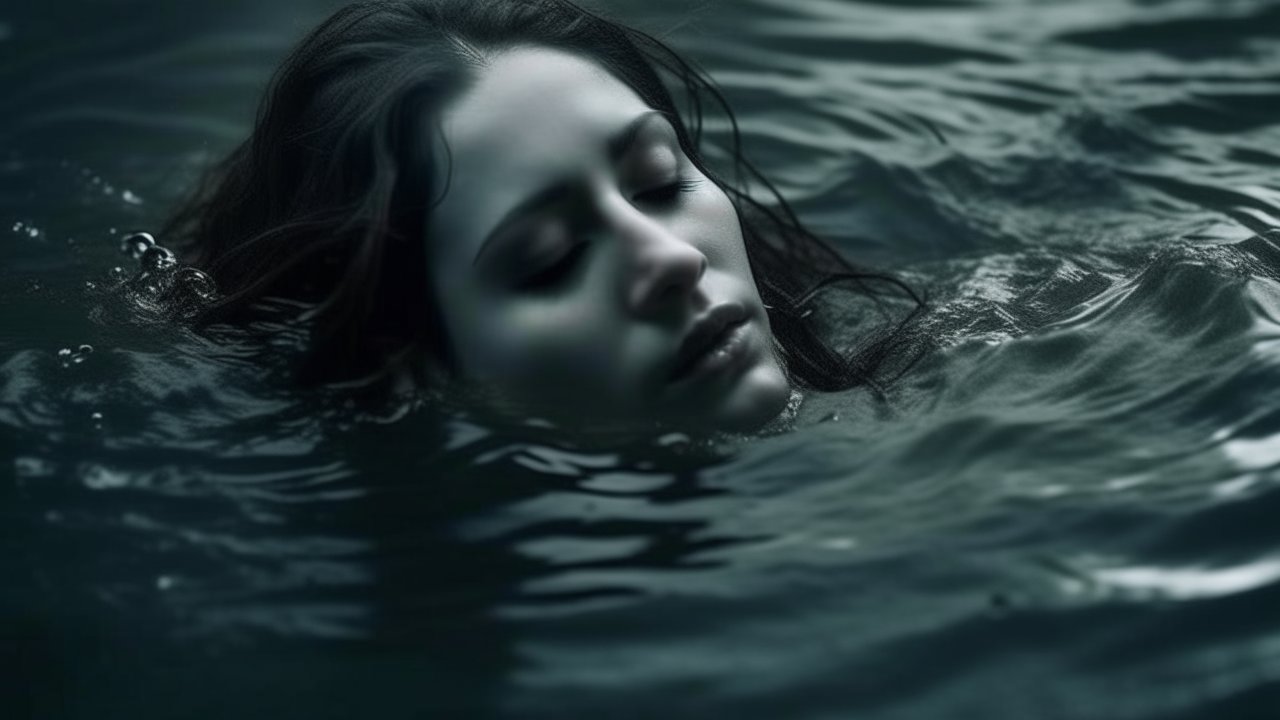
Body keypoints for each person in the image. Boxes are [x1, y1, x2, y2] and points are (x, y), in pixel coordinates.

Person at [162, 0, 923, 439]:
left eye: (658, 184)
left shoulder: (970, 371)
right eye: (549, 260)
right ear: (414, 368)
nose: (671, 261)